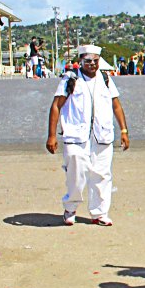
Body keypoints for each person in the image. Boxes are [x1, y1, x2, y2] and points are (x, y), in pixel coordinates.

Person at [46, 44, 129, 226]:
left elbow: (116, 105)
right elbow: (56, 106)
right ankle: (70, 208)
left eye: (95, 61)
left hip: (102, 135)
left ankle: (99, 212)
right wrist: (51, 135)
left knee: (102, 175)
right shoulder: (71, 79)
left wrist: (124, 130)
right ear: (80, 61)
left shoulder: (105, 78)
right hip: (76, 136)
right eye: (88, 61)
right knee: (76, 174)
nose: (92, 64)